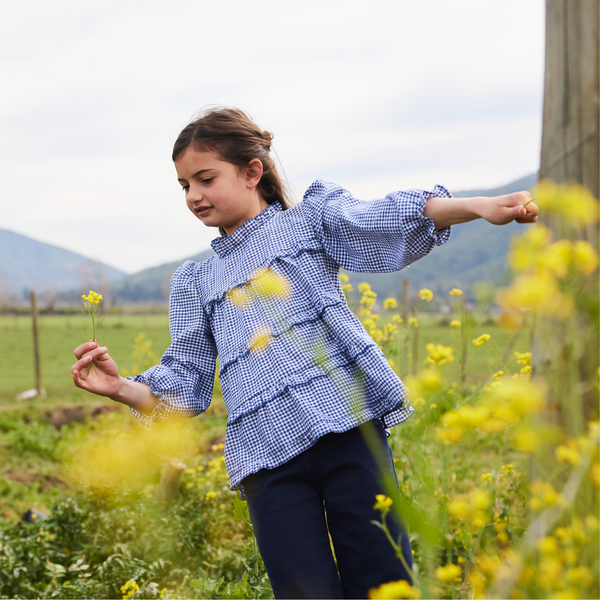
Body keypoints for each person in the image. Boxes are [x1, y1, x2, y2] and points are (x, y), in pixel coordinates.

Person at [71, 108, 538, 599]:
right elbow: (184, 384)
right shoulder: (195, 282)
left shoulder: (309, 222)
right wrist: (120, 387)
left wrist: (480, 206)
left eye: (205, 179)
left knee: (384, 581)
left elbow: (383, 217)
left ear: (253, 171)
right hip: (266, 463)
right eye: (184, 185)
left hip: (350, 433)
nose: (194, 196)